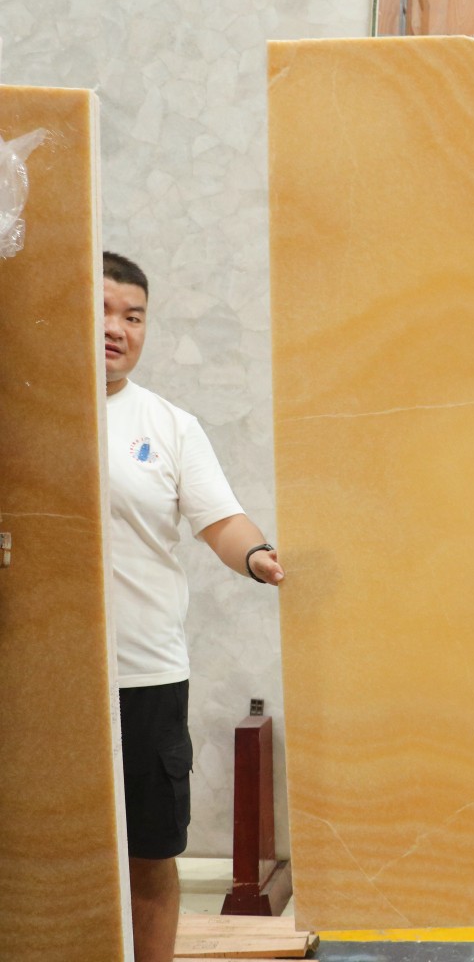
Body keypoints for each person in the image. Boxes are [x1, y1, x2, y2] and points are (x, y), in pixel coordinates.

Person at [102, 252, 285, 962]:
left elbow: (221, 520)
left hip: (144, 675)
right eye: (101, 309)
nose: (117, 328)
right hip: (40, 679)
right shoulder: (23, 412)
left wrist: (257, 555)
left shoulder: (169, 425)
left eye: (133, 316)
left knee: (150, 854)